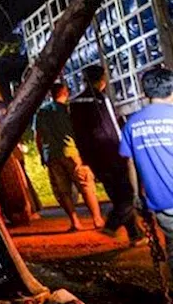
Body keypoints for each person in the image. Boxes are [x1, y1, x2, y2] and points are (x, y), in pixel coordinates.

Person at [71, 64, 147, 243]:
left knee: (116, 193)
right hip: (112, 152)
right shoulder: (100, 99)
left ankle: (135, 233)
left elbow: (77, 132)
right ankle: (111, 225)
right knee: (128, 194)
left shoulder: (75, 103)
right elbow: (112, 128)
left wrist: (85, 157)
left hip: (93, 157)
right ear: (101, 80)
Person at [34, 82, 105, 231]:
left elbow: (38, 136)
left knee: (63, 191)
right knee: (86, 186)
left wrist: (42, 155)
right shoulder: (69, 110)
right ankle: (97, 219)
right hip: (72, 153)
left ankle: (75, 221)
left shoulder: (41, 112)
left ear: (51, 95)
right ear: (65, 93)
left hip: (52, 155)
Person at [122, 67, 173, 269]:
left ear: (145, 92)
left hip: (162, 205)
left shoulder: (132, 124)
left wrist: (136, 196)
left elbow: (131, 163)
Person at [0, 99, 38, 227]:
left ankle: (30, 209)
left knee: (21, 181)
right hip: (1, 157)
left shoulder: (6, 120)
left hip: (12, 155)